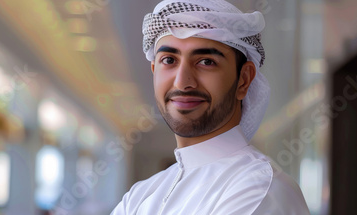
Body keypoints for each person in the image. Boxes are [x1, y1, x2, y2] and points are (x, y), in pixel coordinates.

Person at [111, 0, 310, 214]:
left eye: (206, 62)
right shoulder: (141, 194)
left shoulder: (258, 189)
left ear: (243, 79)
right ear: (154, 70)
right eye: (169, 60)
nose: (182, 82)